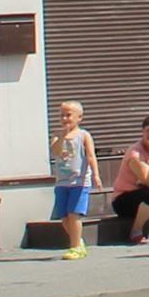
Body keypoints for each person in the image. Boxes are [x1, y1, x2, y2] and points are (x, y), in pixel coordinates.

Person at [46, 100, 94, 260]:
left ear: (79, 118)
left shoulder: (84, 135)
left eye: (69, 115)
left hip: (79, 182)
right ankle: (78, 241)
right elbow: (55, 151)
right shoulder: (57, 136)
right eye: (62, 115)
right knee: (64, 217)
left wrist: (96, 174)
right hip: (62, 182)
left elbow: (91, 156)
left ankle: (75, 247)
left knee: (74, 215)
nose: (65, 118)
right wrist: (62, 137)